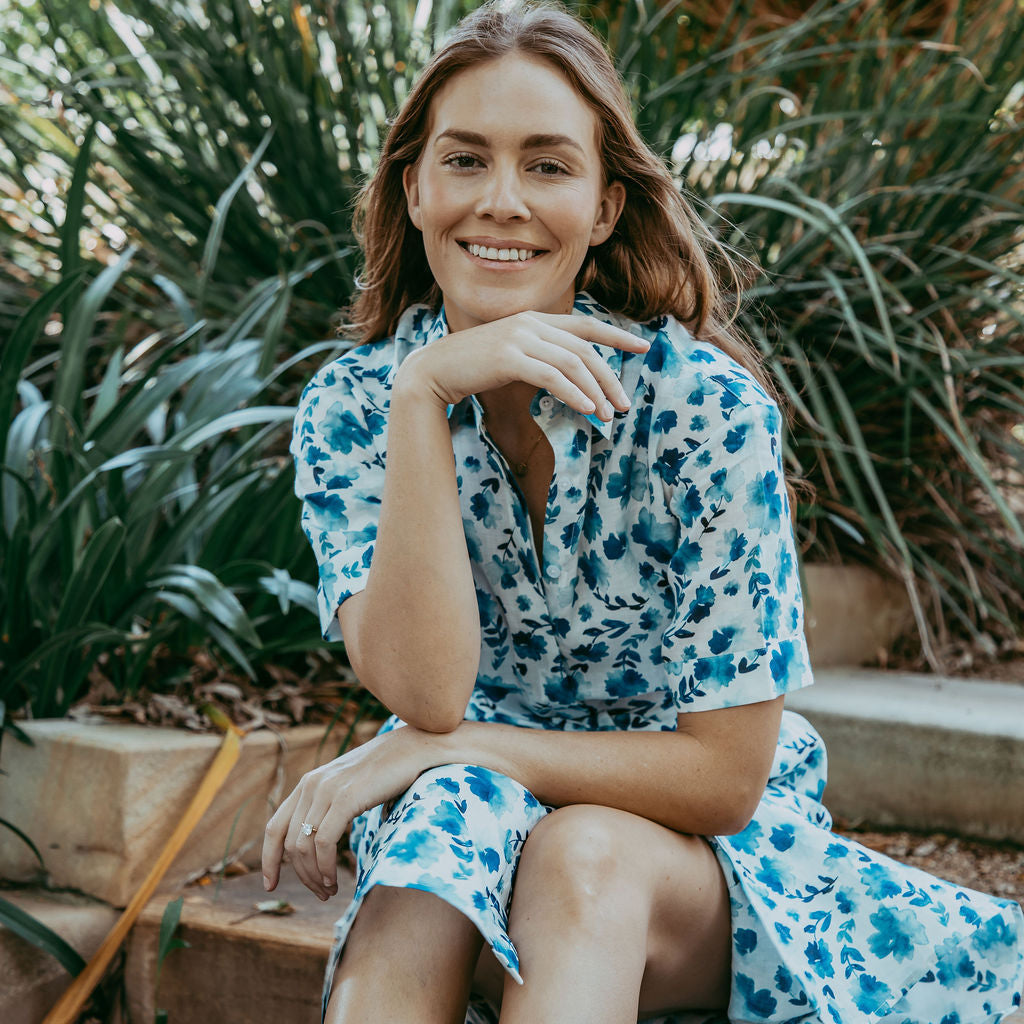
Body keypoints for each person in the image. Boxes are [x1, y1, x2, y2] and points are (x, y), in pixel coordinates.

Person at [262, 3, 1024, 1022]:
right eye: (464, 160)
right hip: (462, 838)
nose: (500, 202)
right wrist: (420, 397)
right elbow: (429, 693)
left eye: (546, 165)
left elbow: (722, 778)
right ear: (415, 186)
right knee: (445, 819)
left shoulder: (700, 411)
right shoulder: (355, 408)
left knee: (578, 850)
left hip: (690, 868)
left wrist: (460, 748)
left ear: (606, 205)